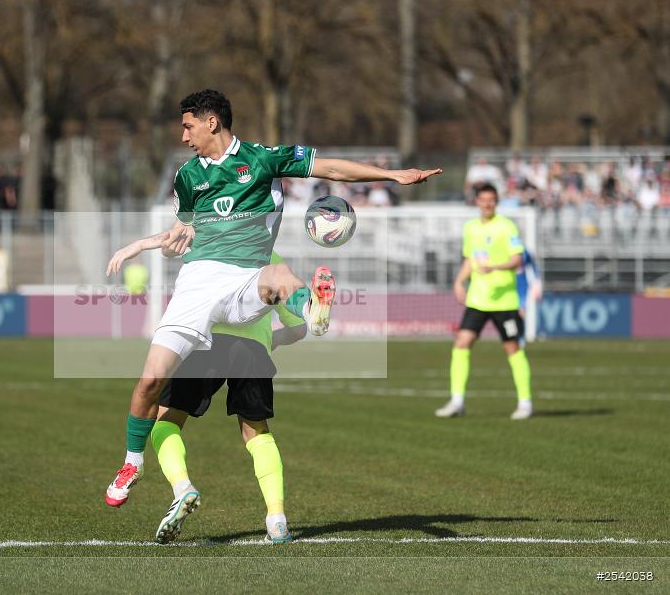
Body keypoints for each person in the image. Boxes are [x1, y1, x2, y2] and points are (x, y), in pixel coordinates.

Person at [104, 89, 442, 510]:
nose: (184, 136)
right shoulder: (188, 176)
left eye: (188, 126)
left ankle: (314, 310)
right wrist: (146, 245)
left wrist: (392, 176)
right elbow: (181, 230)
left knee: (280, 276)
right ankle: (131, 463)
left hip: (247, 276)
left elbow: (330, 166)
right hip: (198, 283)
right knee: (149, 382)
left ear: (212, 122)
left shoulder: (264, 159)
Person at [148, 251, 306, 545]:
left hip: (205, 340)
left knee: (165, 421)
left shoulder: (211, 243)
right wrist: (271, 339)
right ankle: (277, 519)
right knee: (257, 433)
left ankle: (183, 488)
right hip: (252, 349)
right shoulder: (272, 257)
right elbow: (299, 329)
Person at [436, 184, 533, 420]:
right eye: (483, 199)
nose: (487, 204)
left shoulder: (506, 226)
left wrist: (495, 267)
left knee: (512, 348)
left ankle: (525, 403)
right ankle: (457, 401)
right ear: (477, 202)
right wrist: (459, 281)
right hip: (478, 298)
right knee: (461, 343)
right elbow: (470, 258)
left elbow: (517, 259)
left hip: (504, 301)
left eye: (491, 200)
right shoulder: (471, 228)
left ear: (496, 202)